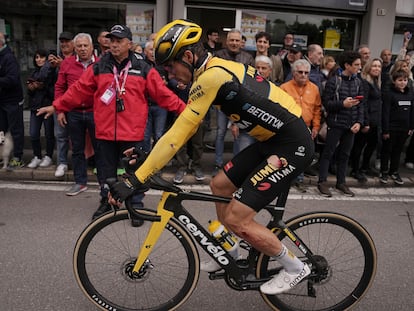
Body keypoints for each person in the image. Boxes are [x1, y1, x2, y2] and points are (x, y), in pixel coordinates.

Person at [108, 19, 314, 295]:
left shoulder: (211, 77)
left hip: (292, 145)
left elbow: (180, 133)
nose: (171, 74)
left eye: (171, 66)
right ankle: (230, 247)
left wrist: (136, 178)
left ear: (189, 56)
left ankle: (294, 267)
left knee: (238, 218)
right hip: (272, 141)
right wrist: (150, 156)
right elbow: (179, 130)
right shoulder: (215, 69)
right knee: (219, 185)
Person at [38, 24, 185, 220]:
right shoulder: (98, 67)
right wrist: (57, 106)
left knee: (135, 173)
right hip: (105, 132)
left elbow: (163, 95)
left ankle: (136, 205)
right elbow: (77, 90)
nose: (114, 45)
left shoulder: (143, 68)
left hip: (133, 133)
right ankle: (107, 202)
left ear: (129, 44)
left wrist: (186, 111)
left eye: (119, 41)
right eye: (112, 41)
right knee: (106, 173)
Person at [56, 33, 99, 196]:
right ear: (75, 48)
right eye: (79, 46)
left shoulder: (101, 64)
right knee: (77, 149)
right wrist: (60, 110)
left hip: (95, 113)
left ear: (92, 47)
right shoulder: (67, 64)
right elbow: (59, 88)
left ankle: (105, 183)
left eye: (85, 46)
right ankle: (80, 182)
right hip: (73, 113)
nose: (82, 49)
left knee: (101, 149)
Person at [317, 51, 364, 197]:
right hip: (336, 124)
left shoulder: (358, 82)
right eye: (356, 65)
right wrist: (342, 104)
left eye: (360, 65)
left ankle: (341, 183)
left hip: (351, 126)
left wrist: (359, 122)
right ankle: (322, 182)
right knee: (328, 153)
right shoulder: (334, 81)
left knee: (345, 155)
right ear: (347, 65)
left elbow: (361, 105)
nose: (359, 67)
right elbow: (326, 104)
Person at [214, 29, 255, 174]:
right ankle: (218, 164)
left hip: (239, 103)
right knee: (220, 133)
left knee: (238, 134)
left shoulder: (248, 58)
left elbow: (250, 82)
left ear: (241, 42)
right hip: (221, 102)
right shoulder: (218, 56)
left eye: (237, 40)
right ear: (227, 41)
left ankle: (235, 166)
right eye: (231, 40)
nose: (234, 43)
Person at [281, 59, 321, 192]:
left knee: (303, 155)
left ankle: (299, 179)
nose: (303, 75)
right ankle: (287, 178)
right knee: (288, 154)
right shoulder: (284, 87)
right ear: (293, 73)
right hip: (289, 127)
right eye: (300, 72)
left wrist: (316, 127)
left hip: (307, 127)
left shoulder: (314, 88)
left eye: (306, 72)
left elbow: (317, 109)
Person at [349, 58, 383, 182]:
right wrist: (365, 122)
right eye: (374, 66)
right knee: (359, 146)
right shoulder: (364, 82)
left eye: (379, 66)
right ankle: (355, 169)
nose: (377, 68)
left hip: (375, 120)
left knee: (372, 144)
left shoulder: (376, 82)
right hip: (366, 120)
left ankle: (365, 167)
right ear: (368, 67)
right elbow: (364, 103)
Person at [379, 69, 414, 185]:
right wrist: (386, 130)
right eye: (400, 80)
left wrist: (411, 127)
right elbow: (386, 113)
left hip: (404, 128)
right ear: (394, 81)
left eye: (405, 80)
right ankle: (384, 171)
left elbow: (412, 112)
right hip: (391, 128)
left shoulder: (410, 93)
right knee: (387, 150)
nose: (403, 82)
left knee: (397, 151)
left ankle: (394, 171)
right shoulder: (390, 94)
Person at [50, 31, 75, 178]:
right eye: (62, 41)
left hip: (75, 103)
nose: (64, 44)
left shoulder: (76, 59)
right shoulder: (54, 58)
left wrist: (64, 64)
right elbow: (52, 83)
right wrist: (52, 67)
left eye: (67, 41)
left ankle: (80, 163)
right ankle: (62, 162)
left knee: (78, 136)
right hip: (59, 101)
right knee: (60, 135)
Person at [26, 49, 55, 169]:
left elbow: (54, 91)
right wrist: (31, 88)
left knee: (49, 134)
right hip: (35, 107)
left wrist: (43, 87)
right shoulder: (33, 73)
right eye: (37, 57)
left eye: (42, 57)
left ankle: (48, 156)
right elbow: (29, 92)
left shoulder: (51, 72)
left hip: (47, 106)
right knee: (33, 133)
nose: (39, 60)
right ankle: (37, 156)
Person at [0, 32, 25, 170]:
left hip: (12, 100)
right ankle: (3, 157)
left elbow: (12, 79)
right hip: (2, 100)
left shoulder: (9, 58)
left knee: (16, 130)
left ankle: (18, 157)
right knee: (1, 131)